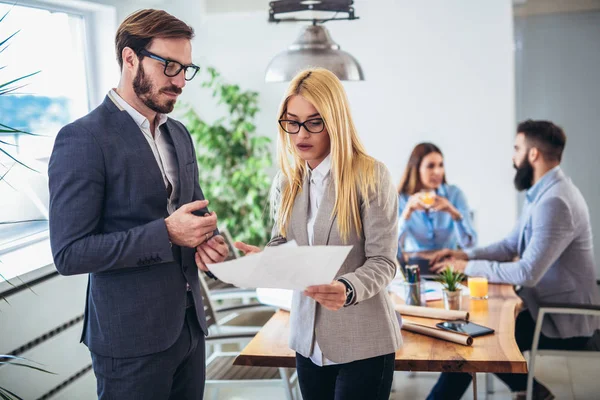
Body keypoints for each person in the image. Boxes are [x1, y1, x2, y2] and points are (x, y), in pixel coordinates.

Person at [48, 9, 228, 399]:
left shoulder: (178, 134)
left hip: (189, 330)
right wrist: (166, 234)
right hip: (129, 341)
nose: (180, 81)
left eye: (186, 69)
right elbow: (69, 254)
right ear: (130, 58)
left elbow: (189, 219)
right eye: (169, 66)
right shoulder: (82, 139)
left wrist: (206, 241)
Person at [235, 68, 402, 400]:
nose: (300, 134)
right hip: (307, 341)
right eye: (292, 122)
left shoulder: (370, 176)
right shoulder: (289, 180)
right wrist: (268, 258)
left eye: (314, 122)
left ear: (335, 121)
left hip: (363, 342)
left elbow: (383, 261)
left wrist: (346, 288)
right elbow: (285, 242)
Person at [428, 120, 600, 400]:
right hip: (541, 304)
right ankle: (532, 390)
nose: (513, 156)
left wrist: (465, 268)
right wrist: (464, 255)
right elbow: (510, 245)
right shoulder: (543, 193)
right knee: (479, 332)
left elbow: (527, 273)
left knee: (475, 338)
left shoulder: (555, 201)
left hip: (560, 315)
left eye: (517, 148)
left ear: (533, 154)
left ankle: (530, 390)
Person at [397, 143, 477, 269]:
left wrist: (454, 213)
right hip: (415, 266)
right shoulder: (402, 199)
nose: (437, 171)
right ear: (416, 168)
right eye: (430, 166)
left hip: (449, 267)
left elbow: (469, 245)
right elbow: (393, 247)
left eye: (441, 165)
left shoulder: (454, 194)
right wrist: (406, 214)